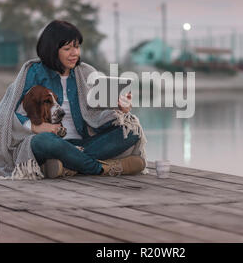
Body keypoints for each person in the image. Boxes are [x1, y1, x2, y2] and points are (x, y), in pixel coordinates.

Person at [15, 20, 145, 178]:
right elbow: (10, 113)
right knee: (42, 141)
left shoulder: (87, 72)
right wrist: (38, 127)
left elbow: (98, 117)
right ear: (52, 50)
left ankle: (68, 166)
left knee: (131, 129)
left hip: (84, 144)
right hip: (51, 141)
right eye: (67, 48)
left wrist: (118, 110)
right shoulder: (33, 72)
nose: (74, 53)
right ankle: (101, 168)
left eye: (76, 47)